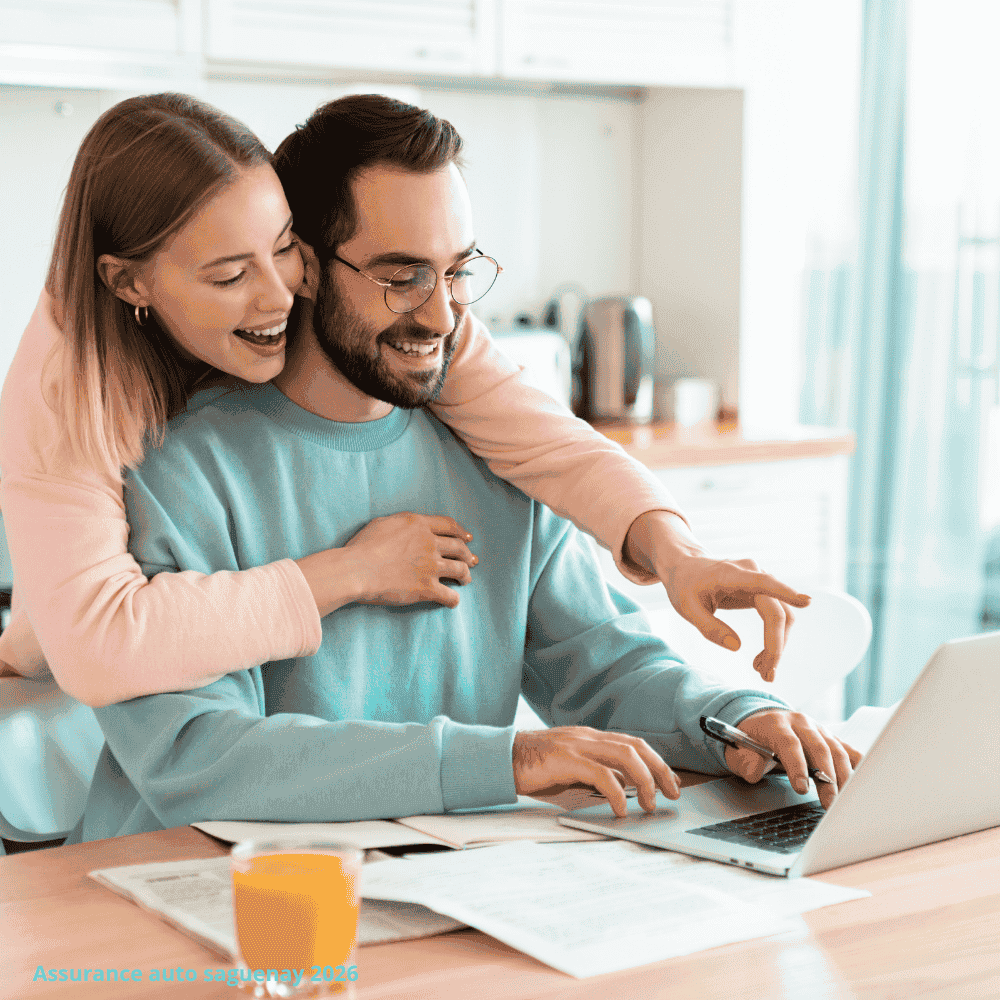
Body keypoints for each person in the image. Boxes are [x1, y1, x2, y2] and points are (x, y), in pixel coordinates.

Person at [67, 95, 859, 843]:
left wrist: (733, 718)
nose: (443, 314)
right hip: (182, 895)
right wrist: (506, 760)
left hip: (421, 877)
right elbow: (203, 759)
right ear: (301, 265)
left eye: (456, 271)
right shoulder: (174, 469)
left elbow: (605, 664)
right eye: (402, 276)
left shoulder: (493, 449)